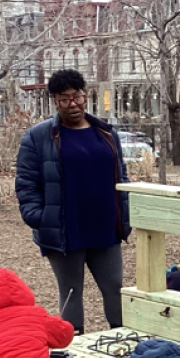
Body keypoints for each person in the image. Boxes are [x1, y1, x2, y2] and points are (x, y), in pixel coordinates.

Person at [16, 68, 131, 334]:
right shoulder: (39, 136)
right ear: (55, 101)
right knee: (70, 291)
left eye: (77, 96)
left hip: (105, 226)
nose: (73, 104)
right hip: (65, 229)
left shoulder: (105, 133)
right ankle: (72, 346)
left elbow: (121, 177)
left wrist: (125, 214)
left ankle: (123, 339)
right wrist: (40, 218)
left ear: (85, 95)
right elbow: (26, 184)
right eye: (64, 99)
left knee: (114, 286)